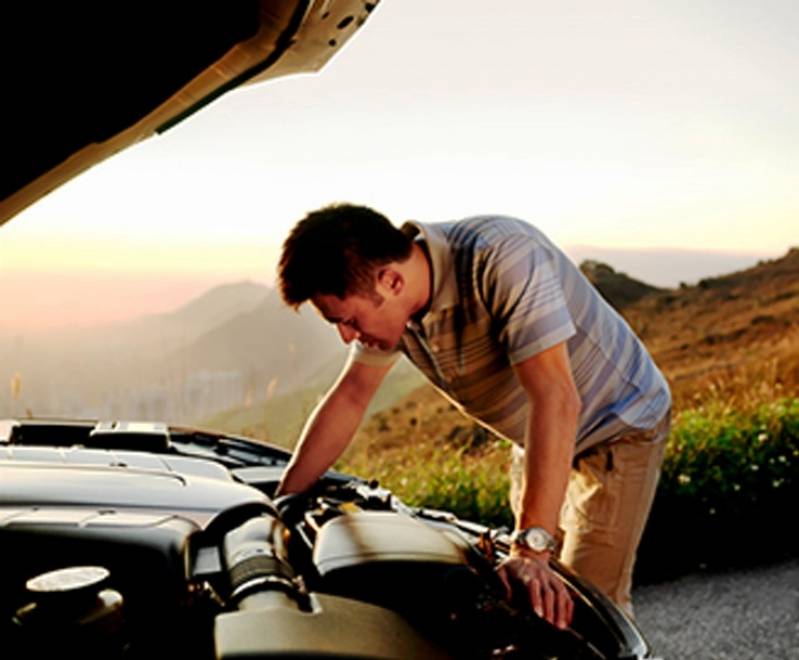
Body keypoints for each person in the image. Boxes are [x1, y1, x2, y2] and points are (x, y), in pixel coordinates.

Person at [275, 203, 671, 629]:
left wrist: (531, 550)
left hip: (616, 426)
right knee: (525, 601)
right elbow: (350, 397)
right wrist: (280, 504)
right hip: (536, 438)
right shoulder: (397, 304)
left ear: (389, 279)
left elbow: (556, 398)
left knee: (586, 613)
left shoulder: (502, 257)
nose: (347, 335)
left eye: (349, 320)